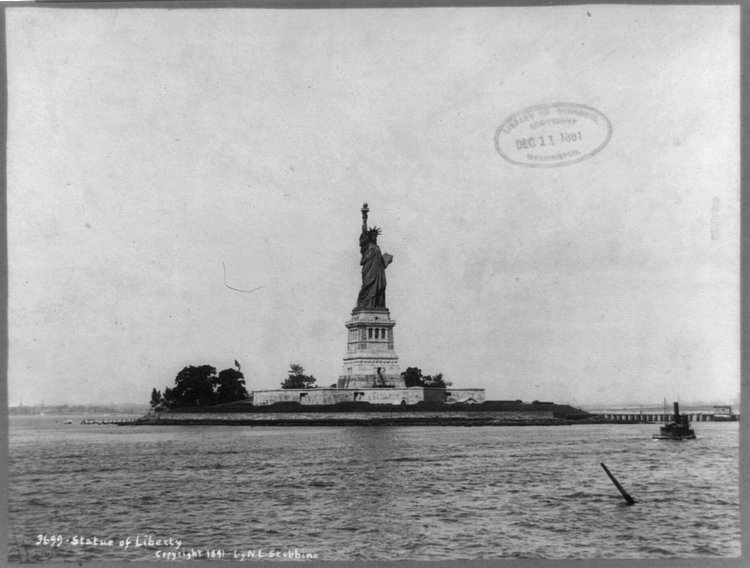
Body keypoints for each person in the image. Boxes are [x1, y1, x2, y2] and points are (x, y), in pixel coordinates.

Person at [356, 204, 392, 309]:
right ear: (369, 237)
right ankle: (365, 305)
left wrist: (386, 260)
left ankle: (377, 305)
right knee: (367, 287)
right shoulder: (366, 246)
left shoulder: (377, 247)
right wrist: (364, 218)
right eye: (373, 235)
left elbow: (381, 261)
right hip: (369, 271)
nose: (375, 237)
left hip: (379, 271)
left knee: (380, 288)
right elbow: (364, 231)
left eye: (376, 236)